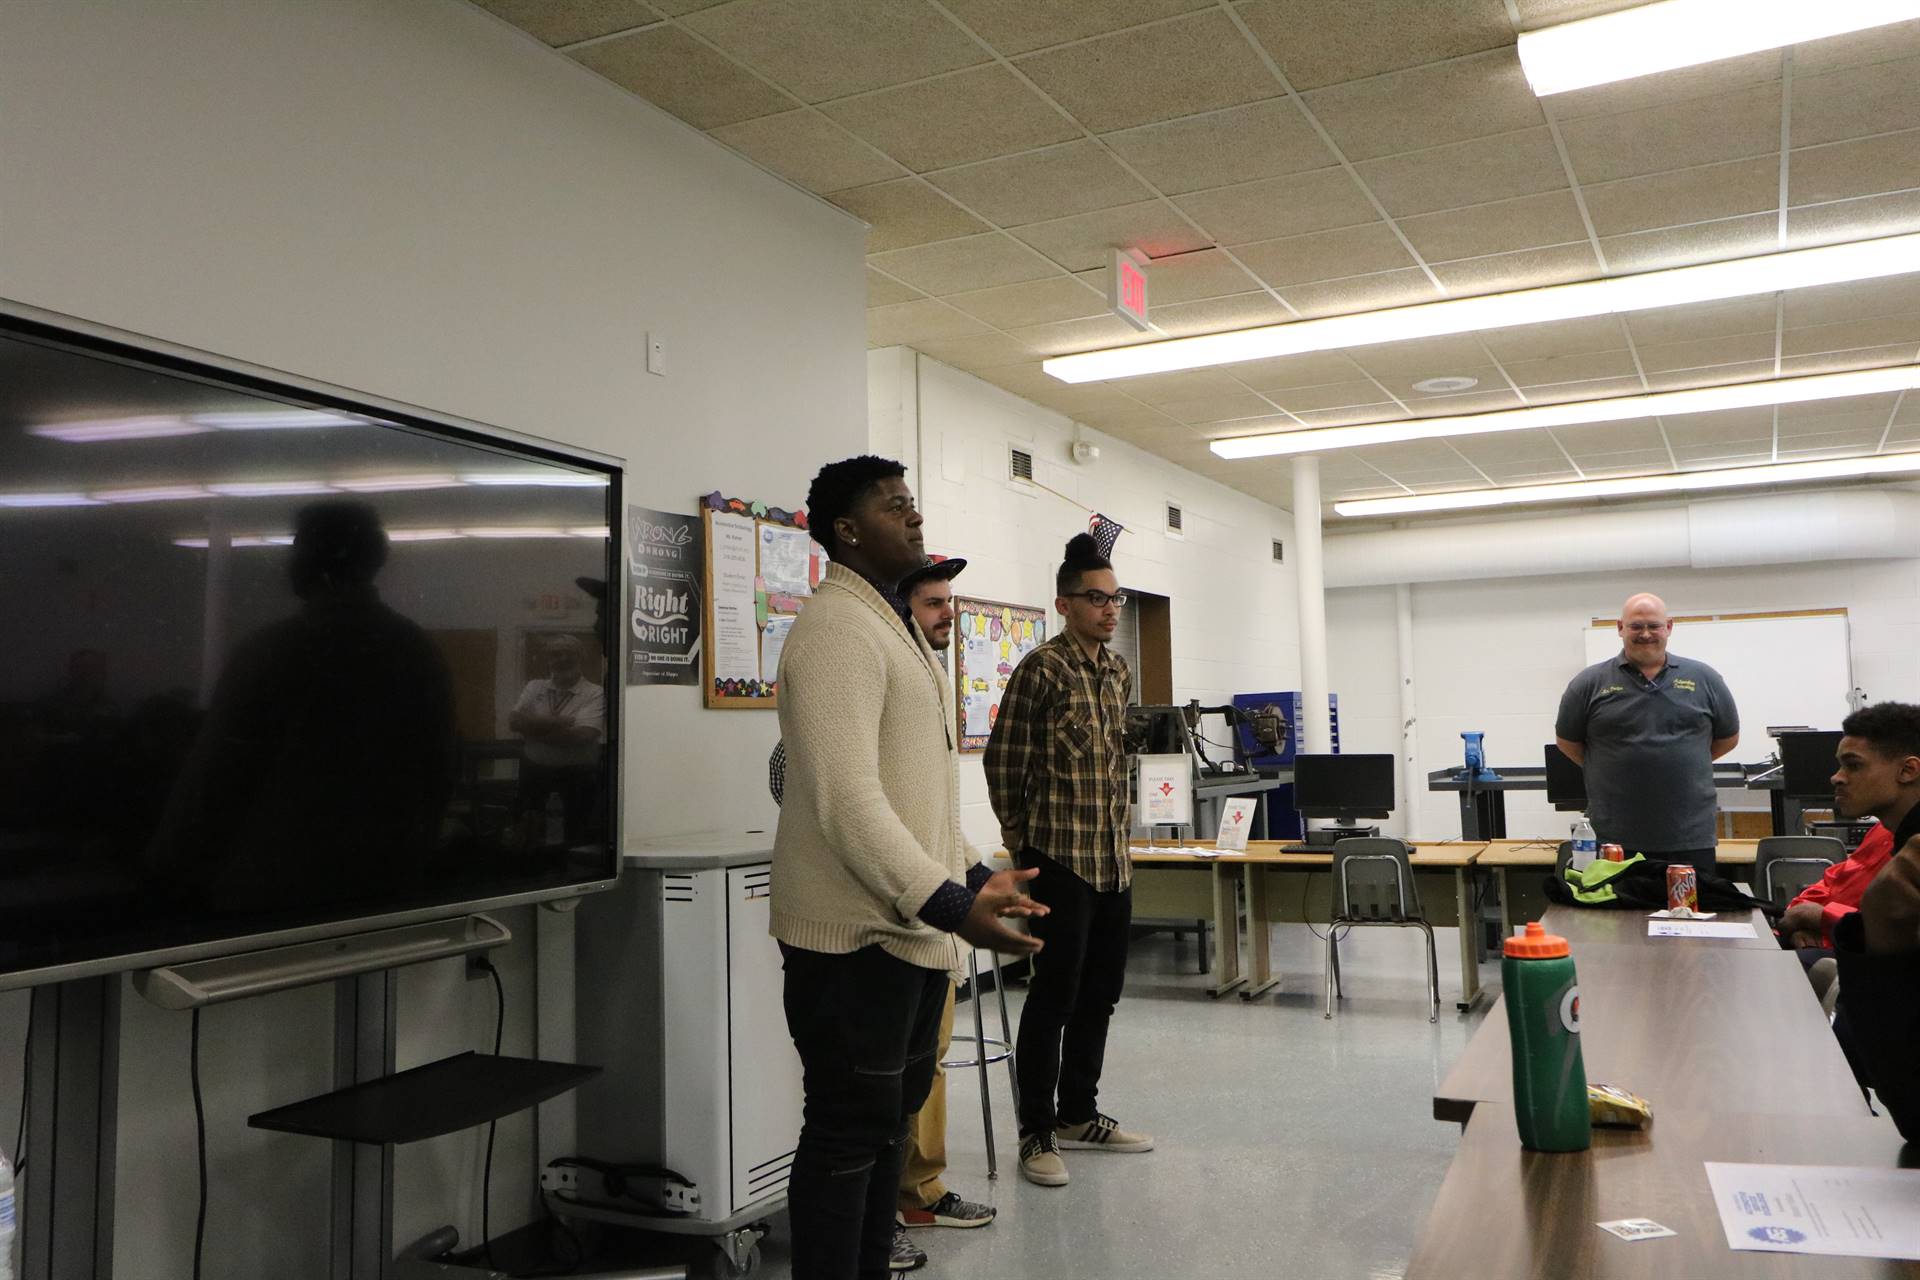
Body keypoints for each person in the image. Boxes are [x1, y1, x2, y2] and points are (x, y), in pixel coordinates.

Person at [772, 456, 1044, 1280]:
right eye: (897, 508)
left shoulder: (890, 626)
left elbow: (911, 793)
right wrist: (952, 903)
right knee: (848, 1137)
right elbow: (847, 800)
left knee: (885, 1133)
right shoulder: (836, 631)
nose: (915, 519)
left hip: (909, 932)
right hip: (856, 944)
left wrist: (971, 872)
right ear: (848, 531)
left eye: (914, 505)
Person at [986, 533, 1151, 1190]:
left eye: (1116, 599)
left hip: (1112, 859)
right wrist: (1024, 844)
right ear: (1064, 602)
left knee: (1101, 993)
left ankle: (1079, 1113)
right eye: (1096, 598)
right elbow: (1005, 761)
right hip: (1059, 857)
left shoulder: (1116, 672)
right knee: (1053, 995)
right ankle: (1036, 1130)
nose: (1110, 609)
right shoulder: (1042, 669)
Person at [1554, 593, 1739, 878]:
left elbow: (1728, 738)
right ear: (1620, 628)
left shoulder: (1705, 679)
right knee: (1616, 920)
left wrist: (1684, 761)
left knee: (1689, 917)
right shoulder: (1588, 684)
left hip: (1689, 836)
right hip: (1614, 839)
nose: (1645, 634)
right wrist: (1608, 765)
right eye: (1636, 626)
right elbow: (1567, 741)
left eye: (1653, 626)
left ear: (1669, 627)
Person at [508, 634, 604, 845]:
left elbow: (583, 736)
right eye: (555, 654)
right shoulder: (534, 687)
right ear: (548, 659)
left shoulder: (595, 693)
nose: (561, 658)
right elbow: (514, 722)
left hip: (577, 778)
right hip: (534, 773)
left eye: (568, 653)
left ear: (580, 656)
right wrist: (560, 722)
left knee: (577, 837)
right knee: (529, 833)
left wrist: (532, 727)